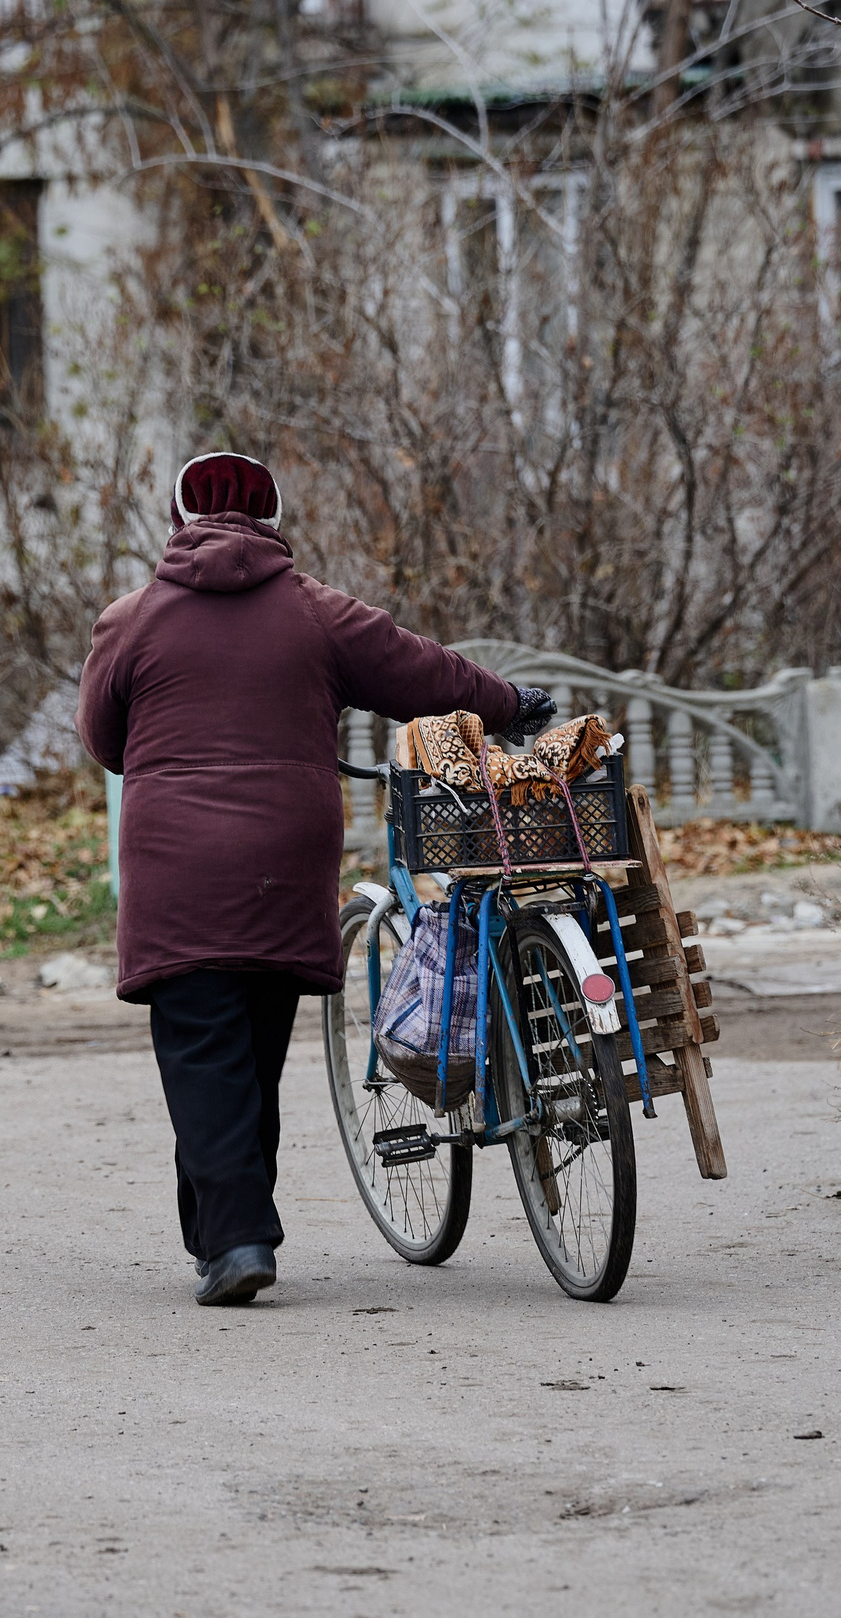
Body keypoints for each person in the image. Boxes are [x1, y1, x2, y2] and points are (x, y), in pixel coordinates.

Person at [74, 452, 556, 1306]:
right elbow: (421, 671)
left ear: (178, 519)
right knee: (253, 1051)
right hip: (284, 857)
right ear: (272, 517)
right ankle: (223, 1234)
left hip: (177, 865)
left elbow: (103, 740)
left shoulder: (132, 619)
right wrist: (510, 702)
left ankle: (236, 1239)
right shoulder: (316, 611)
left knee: (202, 1050)